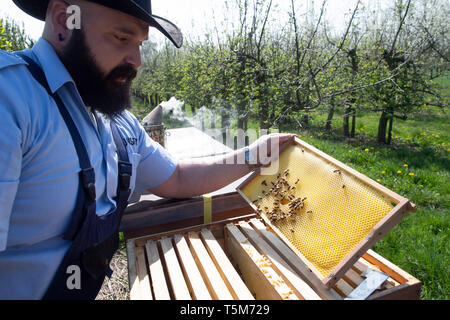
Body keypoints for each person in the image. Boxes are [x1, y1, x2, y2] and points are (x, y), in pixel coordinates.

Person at [0, 0, 295, 300]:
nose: (137, 60)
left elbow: (178, 178)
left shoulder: (119, 123)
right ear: (65, 21)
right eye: (121, 38)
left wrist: (253, 155)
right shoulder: (10, 99)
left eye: (140, 43)